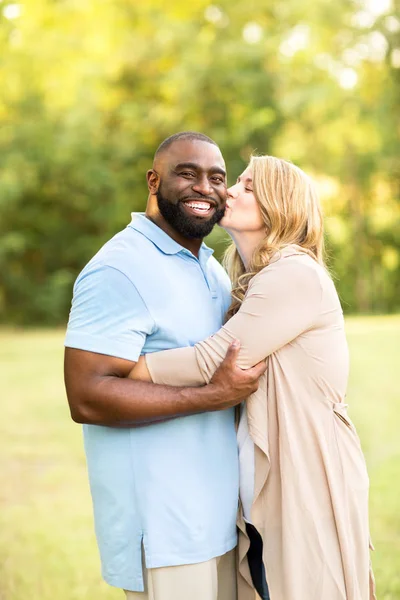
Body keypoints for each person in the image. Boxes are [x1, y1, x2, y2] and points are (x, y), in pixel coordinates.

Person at [129, 155, 377, 600]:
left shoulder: (293, 274)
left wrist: (125, 369)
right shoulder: (251, 277)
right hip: (268, 475)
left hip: (307, 470)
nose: (230, 191)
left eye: (247, 185)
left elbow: (215, 360)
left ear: (278, 205)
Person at [63, 131, 267, 600]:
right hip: (165, 534)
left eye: (217, 178)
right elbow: (87, 396)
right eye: (188, 174)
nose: (206, 188)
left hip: (222, 520)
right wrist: (210, 396)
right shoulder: (119, 268)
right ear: (154, 181)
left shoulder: (212, 268)